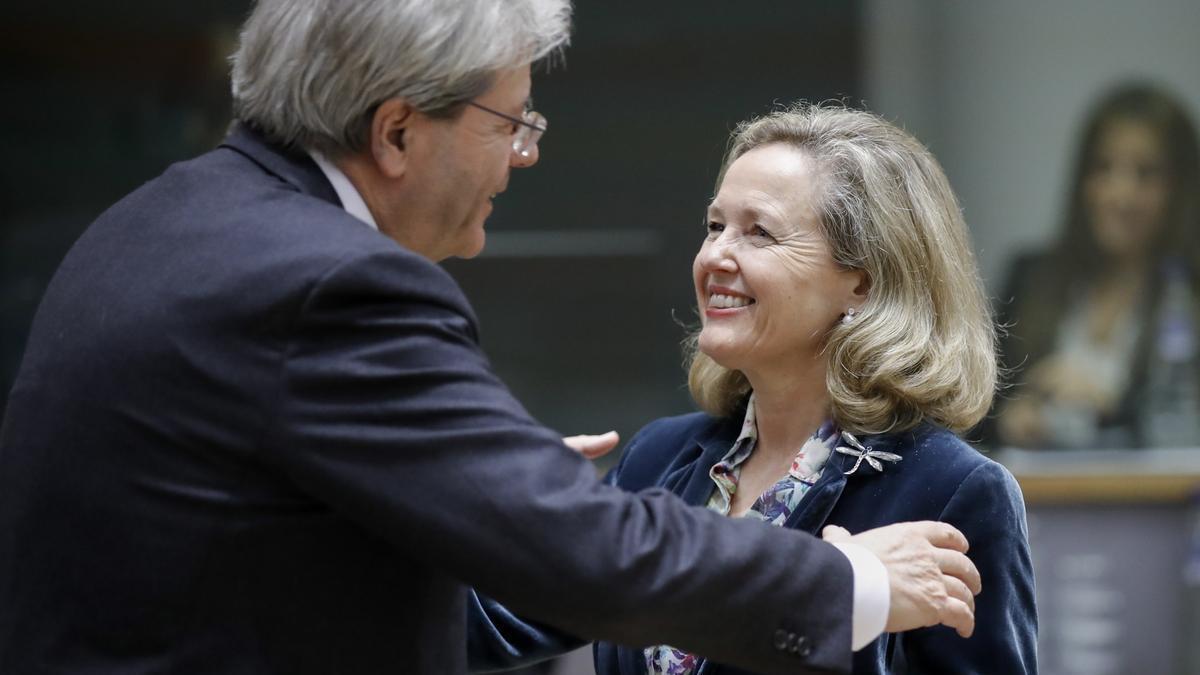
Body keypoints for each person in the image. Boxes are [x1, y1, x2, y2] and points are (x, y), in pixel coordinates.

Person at [0, 2, 983, 674]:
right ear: (396, 133)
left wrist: (468, 481)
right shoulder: (337, 283)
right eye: (511, 121)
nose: (526, 152)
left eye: (762, 233)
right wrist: (849, 579)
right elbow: (586, 558)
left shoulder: (163, 218)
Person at [471, 104, 1037, 674]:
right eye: (715, 226)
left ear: (862, 283)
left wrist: (841, 597)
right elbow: (479, 627)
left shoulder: (954, 492)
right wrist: (499, 506)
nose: (715, 255)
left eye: (758, 233)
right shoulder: (659, 458)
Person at [993, 83, 1200, 450]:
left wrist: (1113, 407)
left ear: (1179, 188)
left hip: (1160, 504)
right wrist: (1010, 416)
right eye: (1104, 168)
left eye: (1146, 173)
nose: (1121, 194)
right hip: (1036, 498)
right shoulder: (1029, 277)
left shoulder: (1188, 292)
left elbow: (1184, 423)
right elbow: (967, 417)